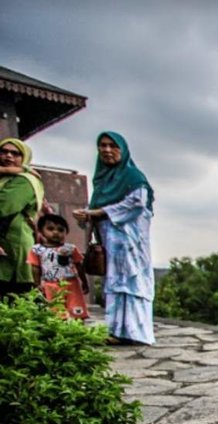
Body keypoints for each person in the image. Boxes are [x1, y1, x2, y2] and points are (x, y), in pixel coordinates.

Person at [73, 131, 155, 345]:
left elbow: (137, 204)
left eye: (112, 145)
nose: (107, 150)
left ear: (122, 149)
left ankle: (137, 332)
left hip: (130, 243)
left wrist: (99, 212)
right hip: (110, 242)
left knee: (133, 283)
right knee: (115, 284)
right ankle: (118, 330)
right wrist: (87, 215)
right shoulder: (102, 180)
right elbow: (96, 210)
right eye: (102, 145)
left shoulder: (133, 176)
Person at [0, 138, 45, 299]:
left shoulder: (25, 180)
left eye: (15, 153)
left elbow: (3, 206)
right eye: (3, 152)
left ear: (24, 157)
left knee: (16, 297)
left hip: (12, 244)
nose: (8, 156)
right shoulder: (5, 178)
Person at [28, 213, 90, 320]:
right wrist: (37, 285)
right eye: (50, 229)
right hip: (50, 285)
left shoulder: (71, 248)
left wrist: (84, 281)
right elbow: (35, 268)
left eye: (61, 230)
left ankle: (79, 333)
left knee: (77, 311)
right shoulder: (36, 250)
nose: (56, 232)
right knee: (56, 313)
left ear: (66, 232)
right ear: (41, 231)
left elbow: (79, 266)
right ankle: (60, 333)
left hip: (71, 284)